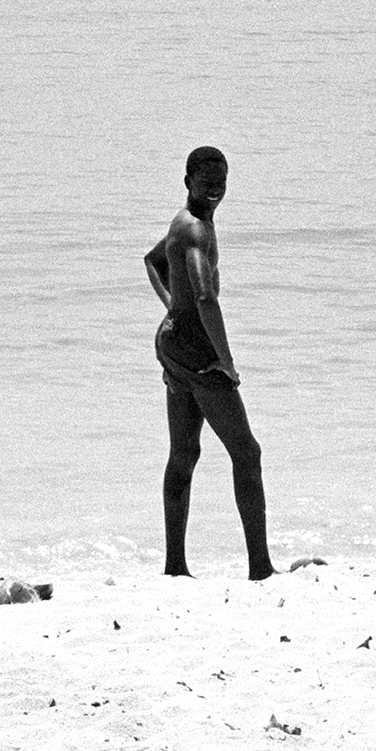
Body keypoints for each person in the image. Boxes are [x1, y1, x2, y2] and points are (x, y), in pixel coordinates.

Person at [143, 147, 274, 581]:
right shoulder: (197, 231)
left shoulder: (181, 223)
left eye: (221, 179)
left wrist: (171, 309)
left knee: (184, 453)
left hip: (171, 344)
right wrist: (226, 360)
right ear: (187, 182)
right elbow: (205, 296)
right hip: (197, 355)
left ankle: (175, 567)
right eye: (205, 181)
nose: (215, 188)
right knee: (247, 453)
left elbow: (154, 260)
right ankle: (260, 568)